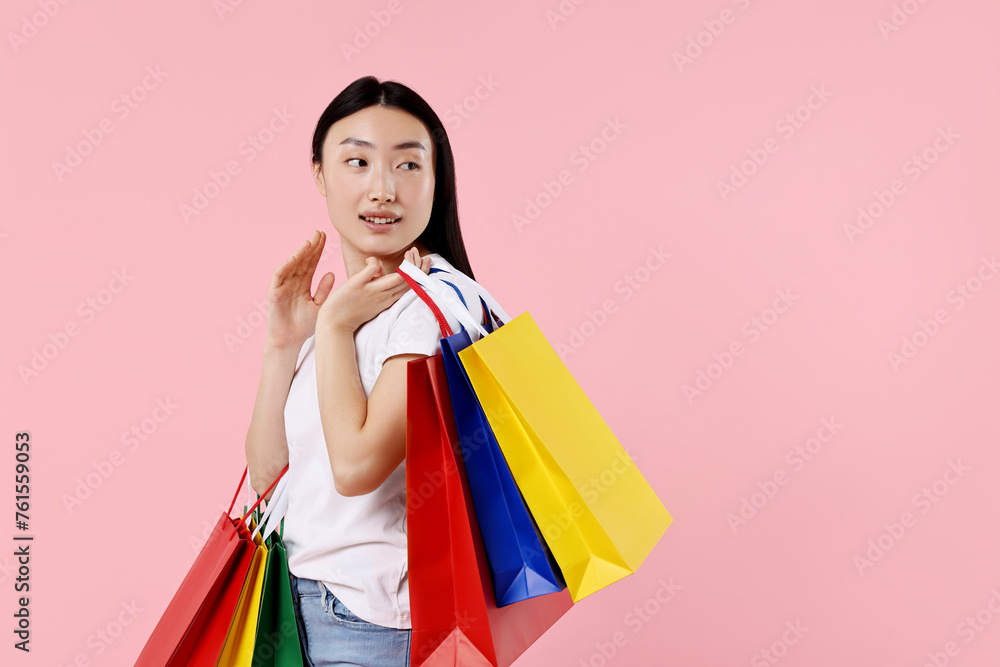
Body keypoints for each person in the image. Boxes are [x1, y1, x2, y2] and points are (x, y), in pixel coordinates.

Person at [244, 75, 497, 666]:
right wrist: (285, 345)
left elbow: (356, 468)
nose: (382, 188)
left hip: (372, 622)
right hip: (291, 607)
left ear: (437, 181)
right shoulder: (346, 310)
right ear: (320, 175)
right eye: (357, 161)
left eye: (408, 166)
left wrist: (331, 329)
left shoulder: (433, 313)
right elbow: (268, 478)